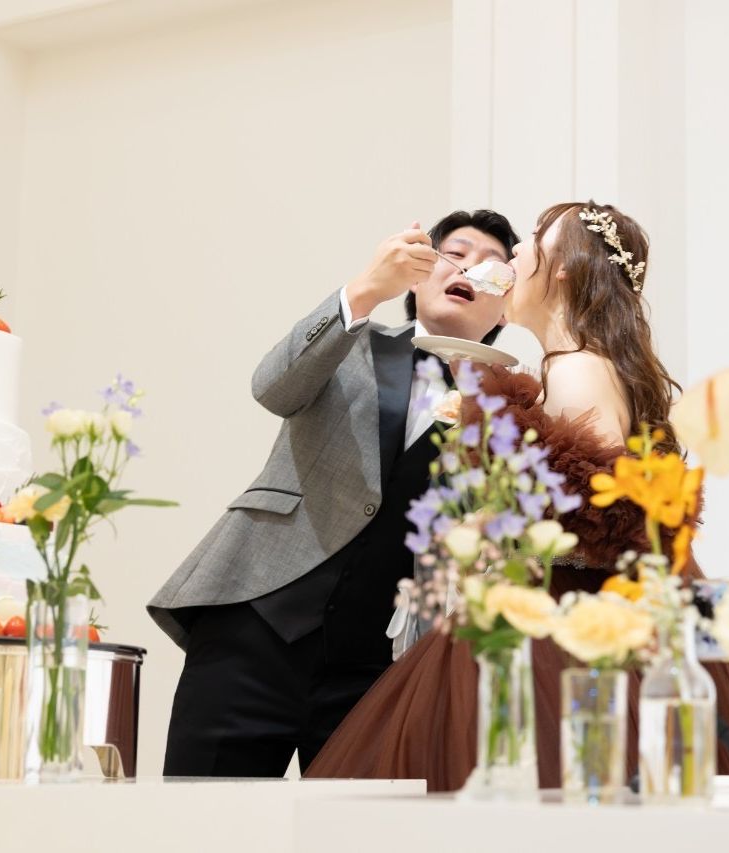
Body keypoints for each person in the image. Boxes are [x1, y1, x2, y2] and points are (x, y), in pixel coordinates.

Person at [304, 201, 729, 790]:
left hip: (565, 627)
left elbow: (601, 520)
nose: (517, 252)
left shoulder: (576, 369)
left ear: (563, 266)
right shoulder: (574, 366)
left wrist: (492, 539)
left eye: (534, 239)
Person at [149, 209, 519, 777]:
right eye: (455, 253)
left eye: (492, 266)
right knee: (206, 815)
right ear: (419, 275)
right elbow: (272, 388)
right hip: (255, 626)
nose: (470, 269)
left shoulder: (510, 411)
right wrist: (366, 288)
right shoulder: (354, 340)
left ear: (505, 307)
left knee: (356, 822)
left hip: (378, 671)